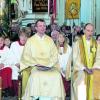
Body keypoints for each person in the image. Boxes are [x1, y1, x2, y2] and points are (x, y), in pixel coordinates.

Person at [20, 19, 65, 100]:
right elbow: (26, 56)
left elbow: (55, 55)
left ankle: (53, 98)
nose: (42, 28)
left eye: (44, 26)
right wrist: (36, 64)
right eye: (40, 26)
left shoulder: (50, 40)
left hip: (49, 66)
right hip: (35, 66)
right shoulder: (30, 41)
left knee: (57, 75)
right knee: (36, 75)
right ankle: (36, 97)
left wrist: (49, 65)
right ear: (36, 28)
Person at [72, 23, 97, 100]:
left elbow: (99, 58)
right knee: (82, 80)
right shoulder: (78, 43)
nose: (90, 33)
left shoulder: (96, 43)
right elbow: (75, 58)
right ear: (84, 31)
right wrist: (84, 68)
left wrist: (94, 67)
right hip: (81, 70)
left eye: (91, 31)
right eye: (88, 30)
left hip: (93, 69)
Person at [8, 27, 30, 96]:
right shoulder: (14, 44)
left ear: (28, 37)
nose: (23, 38)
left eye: (26, 36)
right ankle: (17, 93)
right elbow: (11, 56)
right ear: (19, 36)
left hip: (26, 66)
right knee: (15, 72)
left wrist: (24, 64)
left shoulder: (30, 45)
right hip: (16, 65)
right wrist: (16, 63)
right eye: (22, 36)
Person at [56, 32, 72, 97]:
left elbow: (69, 59)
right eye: (60, 37)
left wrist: (65, 68)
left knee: (65, 86)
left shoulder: (68, 48)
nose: (61, 38)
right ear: (57, 38)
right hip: (57, 69)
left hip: (66, 69)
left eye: (63, 37)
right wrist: (60, 68)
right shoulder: (54, 47)